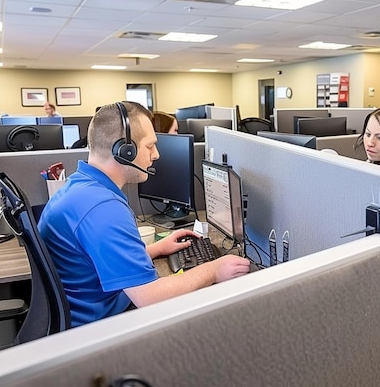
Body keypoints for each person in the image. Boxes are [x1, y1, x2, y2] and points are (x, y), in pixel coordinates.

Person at [38, 101, 250, 327]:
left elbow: (96, 261)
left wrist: (154, 249)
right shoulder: (103, 208)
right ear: (124, 151)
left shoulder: (80, 186)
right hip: (99, 330)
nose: (156, 154)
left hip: (93, 311)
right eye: (150, 146)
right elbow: (151, 298)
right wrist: (213, 270)